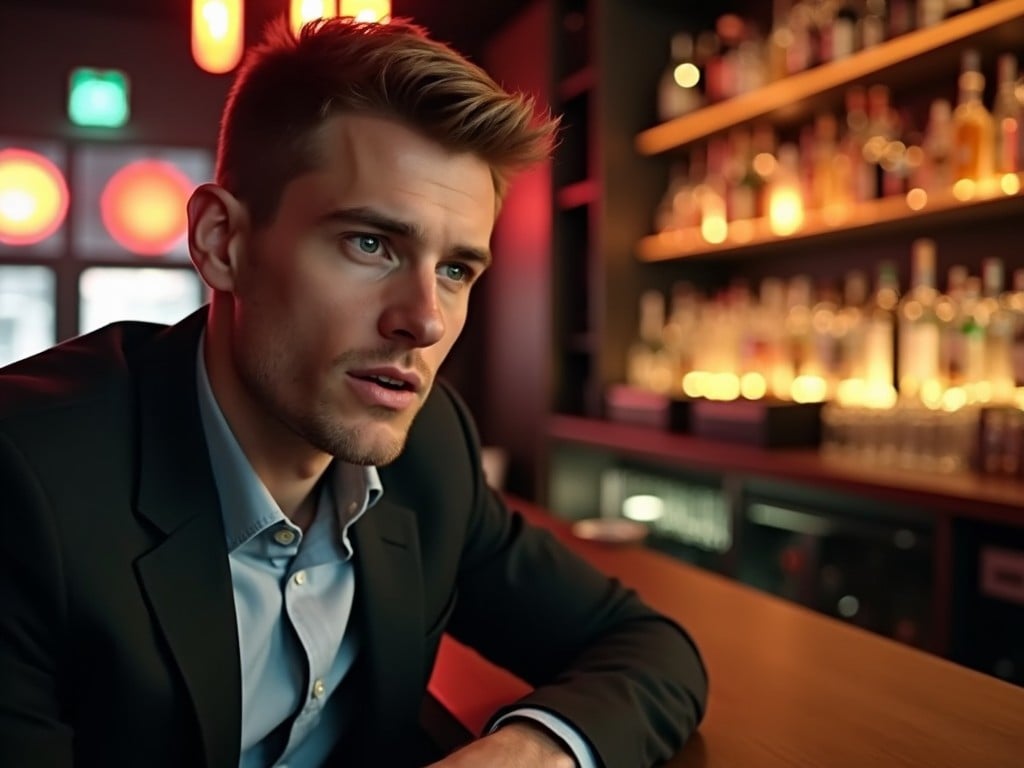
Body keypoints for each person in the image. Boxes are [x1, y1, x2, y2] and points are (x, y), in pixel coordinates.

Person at [0, 15, 708, 768]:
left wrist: (534, 751)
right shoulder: (26, 481)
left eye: (456, 270)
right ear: (221, 242)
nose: (425, 320)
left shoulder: (431, 451)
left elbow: (647, 647)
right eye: (371, 244)